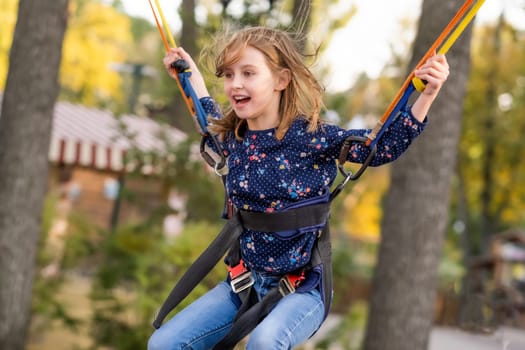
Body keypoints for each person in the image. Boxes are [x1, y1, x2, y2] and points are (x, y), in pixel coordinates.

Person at [148, 26, 449, 350]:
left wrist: (427, 94)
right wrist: (187, 72)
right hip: (244, 284)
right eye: (229, 74)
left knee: (264, 343)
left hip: (304, 288)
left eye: (248, 73)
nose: (235, 84)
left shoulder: (311, 137)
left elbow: (380, 148)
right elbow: (204, 109)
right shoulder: (232, 139)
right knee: (164, 344)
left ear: (281, 79)